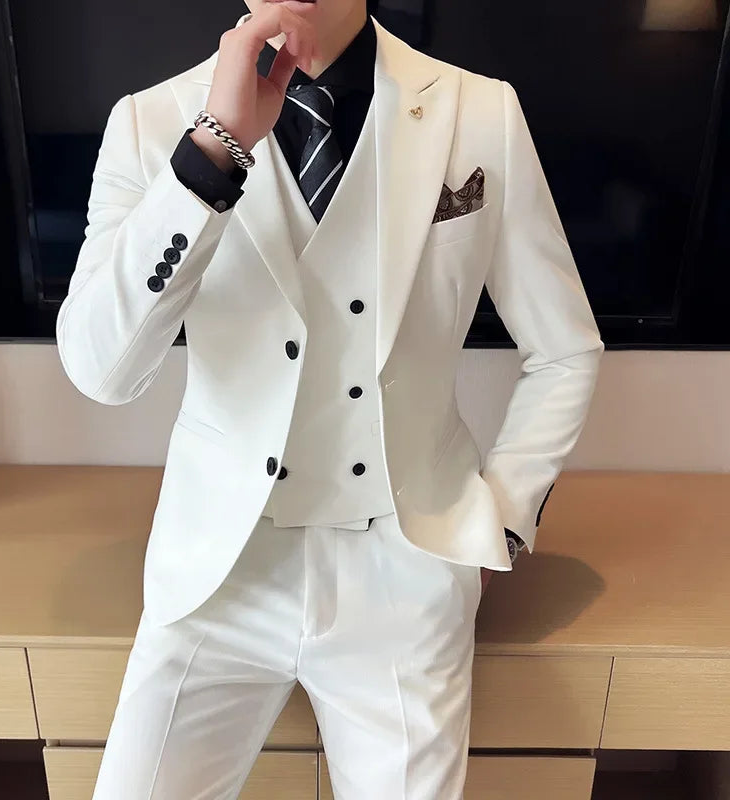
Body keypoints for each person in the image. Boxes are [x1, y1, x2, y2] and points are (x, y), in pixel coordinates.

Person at [56, 0, 604, 797]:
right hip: (215, 574)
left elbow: (565, 350)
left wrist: (504, 523)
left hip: (409, 570)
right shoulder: (151, 121)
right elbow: (102, 371)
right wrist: (211, 153)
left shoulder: (480, 110)